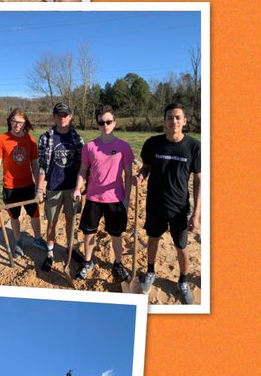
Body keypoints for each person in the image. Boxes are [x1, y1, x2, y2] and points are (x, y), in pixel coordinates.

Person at [135, 102, 202, 304]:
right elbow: (146, 167)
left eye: (177, 117)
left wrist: (196, 213)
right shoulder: (152, 144)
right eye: (170, 117)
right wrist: (141, 176)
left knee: (181, 247)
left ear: (184, 121)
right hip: (155, 205)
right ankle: (150, 271)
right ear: (164, 121)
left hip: (179, 208)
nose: (174, 121)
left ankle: (183, 281)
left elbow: (199, 179)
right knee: (153, 240)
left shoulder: (194, 147)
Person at [73, 107, 134, 284]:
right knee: (88, 233)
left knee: (116, 234)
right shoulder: (90, 146)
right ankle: (87, 261)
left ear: (114, 123)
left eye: (108, 121)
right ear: (97, 124)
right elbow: (83, 170)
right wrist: (78, 188)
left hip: (116, 199)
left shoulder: (123, 146)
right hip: (93, 198)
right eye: (101, 122)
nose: (105, 125)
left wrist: (127, 198)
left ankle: (118, 263)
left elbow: (128, 174)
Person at [0, 109, 41, 256]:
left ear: (25, 123)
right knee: (14, 216)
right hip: (10, 186)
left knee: (35, 213)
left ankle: (37, 238)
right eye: (14, 121)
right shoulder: (1, 139)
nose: (17, 125)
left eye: (21, 122)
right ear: (10, 121)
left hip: (28, 185)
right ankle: (18, 242)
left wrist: (38, 186)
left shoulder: (30, 140)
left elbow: (35, 164)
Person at [35, 103, 83, 272]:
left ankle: (70, 249)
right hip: (54, 187)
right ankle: (50, 254)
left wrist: (82, 186)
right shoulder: (46, 138)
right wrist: (40, 189)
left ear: (70, 116)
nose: (62, 118)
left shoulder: (77, 138)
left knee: (71, 221)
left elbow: (83, 165)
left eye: (65, 115)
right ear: (54, 117)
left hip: (72, 188)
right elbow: (42, 166)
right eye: (59, 115)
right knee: (51, 223)